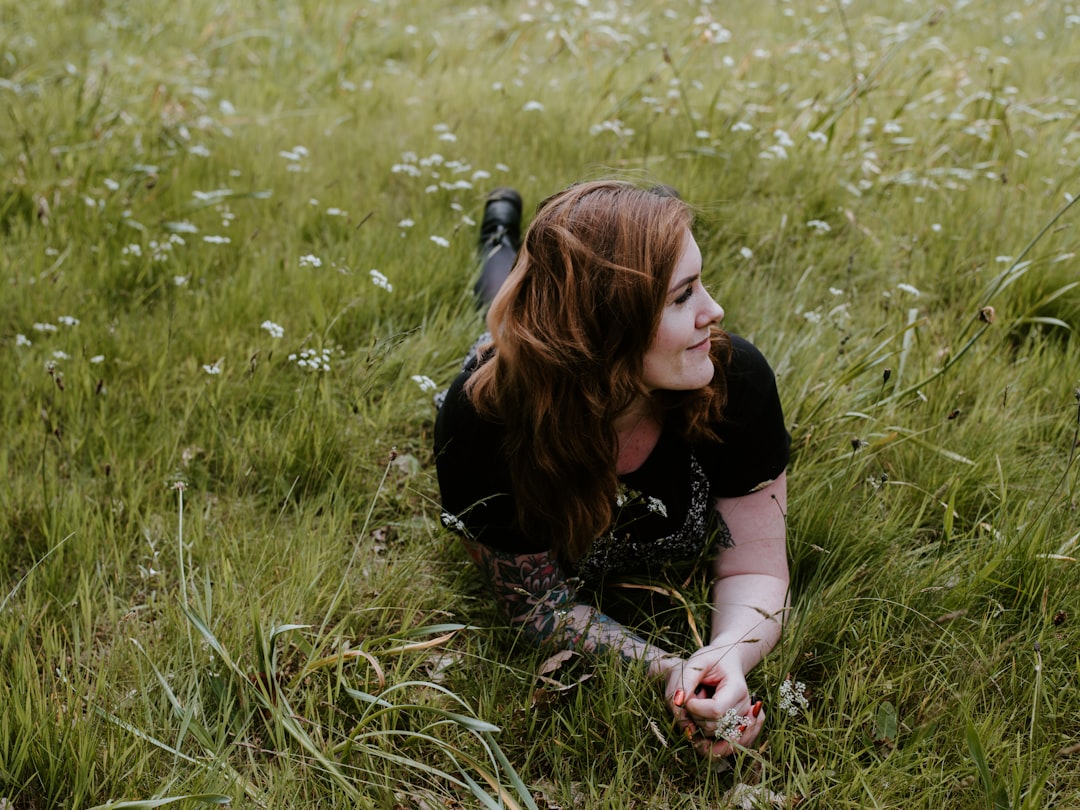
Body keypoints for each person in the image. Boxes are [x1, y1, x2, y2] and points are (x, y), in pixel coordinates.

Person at [433, 179, 791, 759]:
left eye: (700, 284)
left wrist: (722, 655)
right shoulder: (483, 423)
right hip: (531, 374)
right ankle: (498, 233)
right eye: (682, 297)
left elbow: (756, 563)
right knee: (498, 307)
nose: (714, 311)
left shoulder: (734, 381)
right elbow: (535, 604)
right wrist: (663, 667)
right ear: (605, 331)